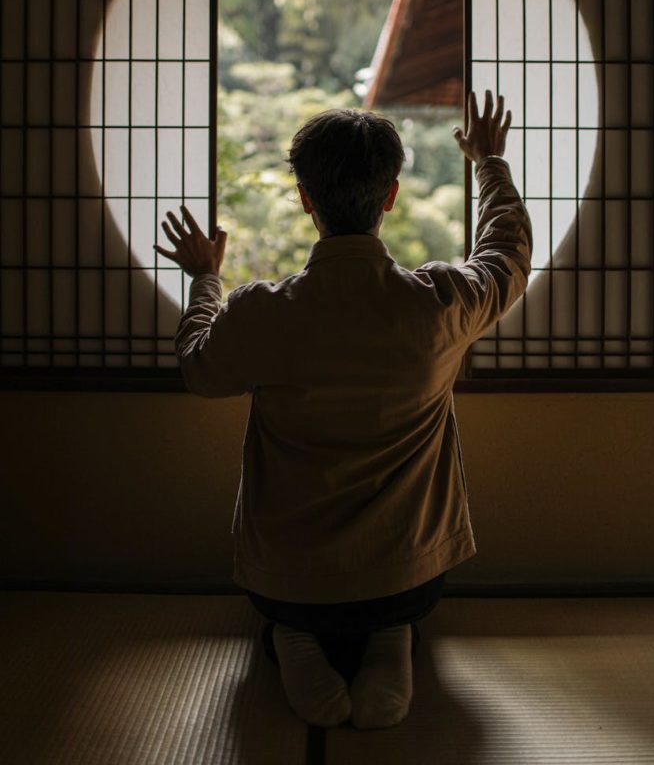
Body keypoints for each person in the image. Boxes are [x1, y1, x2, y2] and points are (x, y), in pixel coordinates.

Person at [155, 89, 532, 730]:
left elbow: (199, 365)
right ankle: (391, 638)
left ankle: (295, 638)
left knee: (291, 613)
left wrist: (205, 280)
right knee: (397, 607)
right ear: (390, 196)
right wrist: (487, 162)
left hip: (286, 580)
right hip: (413, 575)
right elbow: (507, 253)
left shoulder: (263, 312)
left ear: (305, 198)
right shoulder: (439, 303)